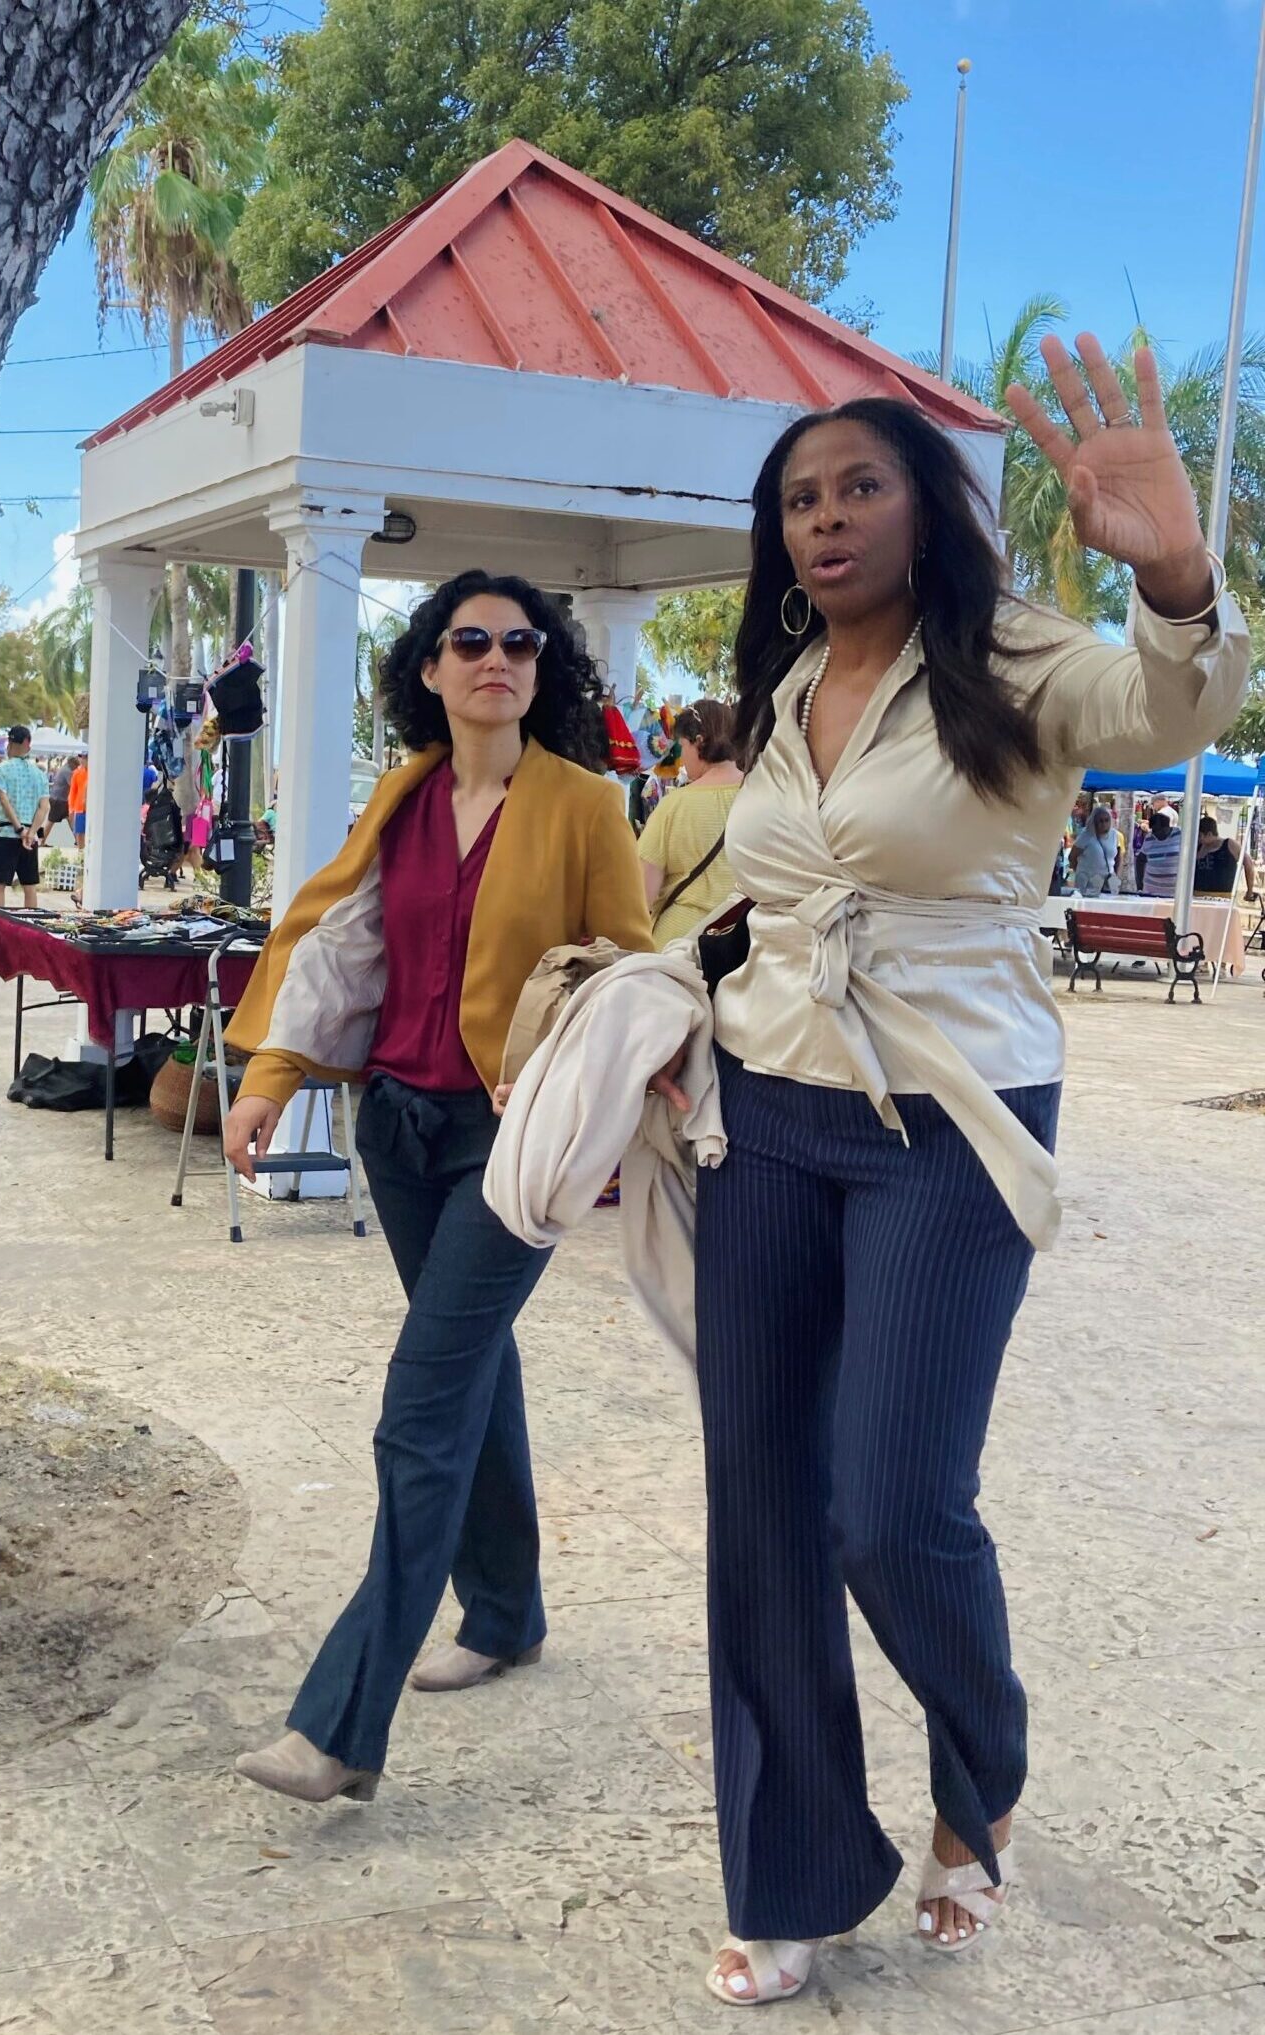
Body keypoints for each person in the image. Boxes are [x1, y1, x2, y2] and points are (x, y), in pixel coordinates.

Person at [694, 339, 1246, 2006]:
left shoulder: (1019, 658)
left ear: (929, 510)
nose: (823, 519)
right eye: (798, 498)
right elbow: (773, 902)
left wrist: (1173, 569)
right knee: (762, 1510)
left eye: (859, 486)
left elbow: (1171, 706)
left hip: (951, 1119)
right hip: (767, 1113)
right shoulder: (787, 692)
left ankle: (977, 1770)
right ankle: (793, 1864)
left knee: (892, 1507)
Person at [220, 569, 661, 1806]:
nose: (497, 659)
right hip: (398, 1129)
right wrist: (272, 1075)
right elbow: (341, 944)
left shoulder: (583, 804)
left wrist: (624, 1107)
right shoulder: (403, 794)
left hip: (511, 1139)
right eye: (470, 640)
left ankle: (341, 1726)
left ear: (542, 668)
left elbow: (628, 967)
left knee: (422, 1404)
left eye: (521, 643)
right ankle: (508, 1609)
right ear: (430, 666)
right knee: (477, 1369)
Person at [636, 698, 744, 947]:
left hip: (678, 946)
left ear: (699, 742)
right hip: (739, 949)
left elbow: (641, 897)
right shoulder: (762, 797)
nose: (682, 758)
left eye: (682, 746)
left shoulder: (674, 807)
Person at [0, 724, 50, 933]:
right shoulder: (39, 773)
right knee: (29, 885)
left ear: (10, 743)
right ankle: (31, 932)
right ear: (28, 744)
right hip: (30, 837)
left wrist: (19, 828)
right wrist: (30, 832)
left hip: (6, 833)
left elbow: (4, 801)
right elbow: (44, 806)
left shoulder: (1, 769)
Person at [1072, 801, 1118, 895]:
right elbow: (1072, 857)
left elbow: (1117, 856)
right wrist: (1081, 874)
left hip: (1107, 882)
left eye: (1106, 820)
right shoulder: (1086, 835)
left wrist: (1115, 875)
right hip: (1087, 882)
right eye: (1100, 821)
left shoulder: (1114, 834)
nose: (1104, 823)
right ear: (1094, 822)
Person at [1137, 803, 1183, 897]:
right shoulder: (1150, 837)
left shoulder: (1180, 834)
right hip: (1151, 889)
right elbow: (1140, 860)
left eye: (1159, 830)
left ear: (1167, 827)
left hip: (1174, 891)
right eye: (1153, 830)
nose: (1156, 834)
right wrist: (1140, 883)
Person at [1195, 810, 1240, 893]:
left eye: (1200, 836)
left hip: (1222, 894)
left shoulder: (1230, 844)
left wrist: (1249, 890)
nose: (1199, 839)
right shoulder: (1198, 847)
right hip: (1197, 893)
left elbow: (1248, 864)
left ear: (1209, 834)